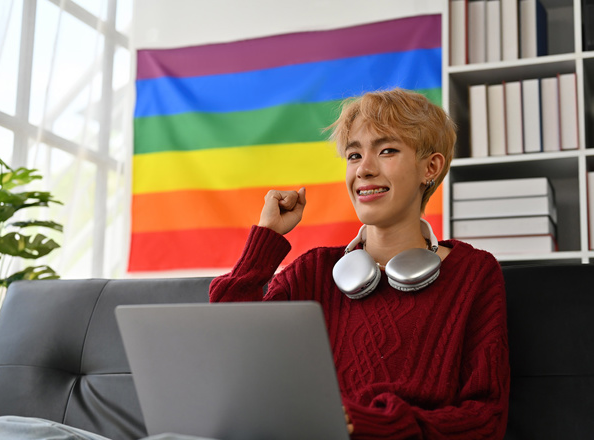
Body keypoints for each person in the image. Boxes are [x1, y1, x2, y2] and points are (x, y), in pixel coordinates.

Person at [209, 88, 510, 439]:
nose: (364, 169)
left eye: (386, 151)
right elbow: (227, 355)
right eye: (354, 155)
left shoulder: (473, 274)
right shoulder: (313, 272)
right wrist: (266, 238)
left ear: (431, 167)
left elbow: (485, 420)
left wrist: (378, 426)